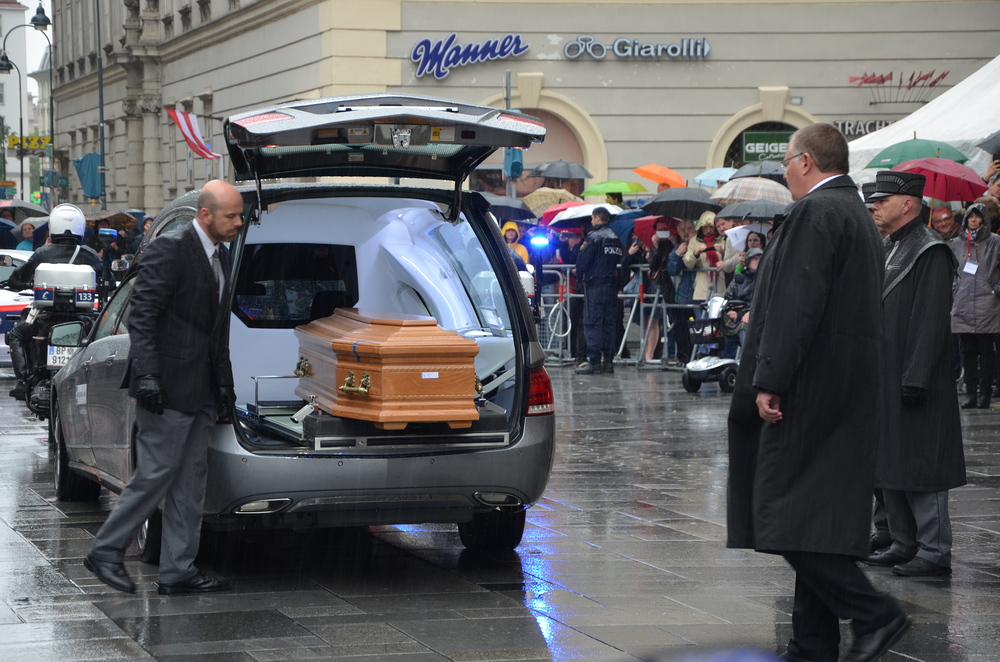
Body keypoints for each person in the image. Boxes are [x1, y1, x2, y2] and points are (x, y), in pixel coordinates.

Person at [727, 124, 909, 662]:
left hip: (808, 390)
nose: (785, 170)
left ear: (806, 161)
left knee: (784, 516)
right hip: (844, 387)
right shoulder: (855, 213)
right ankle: (811, 646)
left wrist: (771, 379)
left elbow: (795, 304)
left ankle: (875, 613)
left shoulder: (816, 212)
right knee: (817, 522)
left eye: (787, 160)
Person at [84, 180, 242, 595]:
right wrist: (149, 374)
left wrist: (224, 385)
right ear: (205, 215)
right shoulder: (170, 248)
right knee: (155, 474)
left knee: (190, 482)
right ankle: (106, 550)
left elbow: (215, 331)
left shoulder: (222, 256)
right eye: (231, 216)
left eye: (240, 215)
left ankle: (178, 571)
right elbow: (141, 315)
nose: (239, 223)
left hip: (202, 389)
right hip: (165, 388)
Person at [864, 171, 965, 578]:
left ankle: (934, 550)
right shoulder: (890, 245)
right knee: (891, 461)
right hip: (886, 374)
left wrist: (916, 377)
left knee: (923, 464)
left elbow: (930, 320)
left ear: (907, 204)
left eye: (881, 200)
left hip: (915, 378)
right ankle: (902, 542)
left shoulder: (930, 250)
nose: (873, 206)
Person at [6, 204, 104, 401]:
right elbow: (103, 278)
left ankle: (23, 381)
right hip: (79, 318)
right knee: (98, 341)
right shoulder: (90, 254)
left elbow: (18, 277)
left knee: (16, 334)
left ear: (53, 226)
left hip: (46, 318)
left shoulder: (43, 253)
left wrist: (14, 282)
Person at [949, 203, 1000, 408]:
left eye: (978, 217)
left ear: (984, 219)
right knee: (967, 350)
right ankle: (971, 393)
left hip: (987, 301)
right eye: (971, 216)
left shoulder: (995, 241)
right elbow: (952, 270)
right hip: (963, 301)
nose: (973, 220)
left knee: (986, 350)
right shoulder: (957, 243)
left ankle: (984, 394)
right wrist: (955, 290)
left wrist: (995, 287)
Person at [573, 206, 623, 375]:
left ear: (597, 218)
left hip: (594, 286)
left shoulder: (594, 238)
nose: (591, 221)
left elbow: (582, 262)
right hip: (611, 287)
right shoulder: (616, 238)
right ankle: (608, 361)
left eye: (592, 218)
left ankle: (594, 361)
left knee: (592, 323)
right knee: (609, 324)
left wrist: (579, 280)